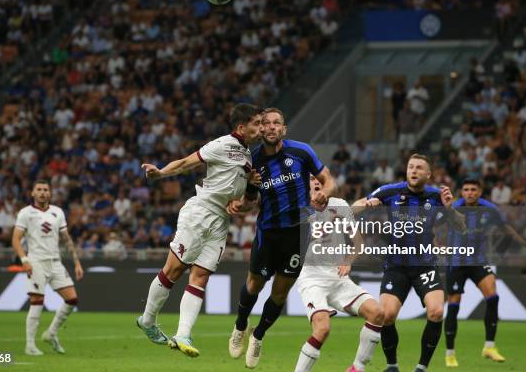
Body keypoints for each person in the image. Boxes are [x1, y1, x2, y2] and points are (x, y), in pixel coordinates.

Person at [137, 103, 263, 357]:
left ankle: (182, 334)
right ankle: (148, 321)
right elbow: (186, 163)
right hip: (200, 212)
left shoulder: (248, 156)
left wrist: (247, 191)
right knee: (174, 270)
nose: (261, 128)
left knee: (201, 276)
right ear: (242, 127)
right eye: (257, 123)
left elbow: (249, 200)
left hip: (220, 222)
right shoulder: (222, 144)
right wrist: (160, 173)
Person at [227, 107, 337, 369]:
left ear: (283, 129)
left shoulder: (301, 152)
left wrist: (325, 194)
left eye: (278, 123)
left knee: (279, 293)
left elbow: (328, 179)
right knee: (254, 285)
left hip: (298, 233)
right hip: (269, 232)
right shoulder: (252, 160)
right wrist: (239, 205)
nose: (272, 127)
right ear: (261, 129)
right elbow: (250, 202)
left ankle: (258, 335)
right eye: (267, 123)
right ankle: (240, 325)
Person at [354, 154, 465, 372]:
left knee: (436, 312)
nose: (413, 170)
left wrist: (450, 208)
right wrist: (367, 204)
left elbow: (461, 226)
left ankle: (421, 367)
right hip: (396, 265)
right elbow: (353, 208)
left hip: (425, 265)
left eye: (419, 168)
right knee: (386, 316)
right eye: (410, 167)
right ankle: (392, 365)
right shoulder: (390, 191)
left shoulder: (436, 196)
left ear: (428, 174)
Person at [443, 179, 526, 367]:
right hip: (456, 262)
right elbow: (437, 227)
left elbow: (506, 228)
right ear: (462, 192)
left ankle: (489, 347)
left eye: (473, 190)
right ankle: (450, 353)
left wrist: (524, 243)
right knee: (454, 305)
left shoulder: (490, 209)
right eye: (466, 189)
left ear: (479, 192)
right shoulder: (453, 207)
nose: (469, 193)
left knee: (493, 295)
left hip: (478, 260)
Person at [294, 176, 384, 372]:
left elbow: (358, 243)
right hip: (312, 279)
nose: (316, 181)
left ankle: (357, 368)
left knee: (377, 313)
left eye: (319, 178)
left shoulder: (339, 205)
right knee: (323, 329)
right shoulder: (299, 210)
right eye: (311, 179)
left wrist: (348, 261)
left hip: (339, 279)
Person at [12, 179, 84, 356]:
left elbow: (66, 238)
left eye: (45, 189)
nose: (43, 192)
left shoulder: (57, 212)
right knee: (37, 301)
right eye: (39, 189)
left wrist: (76, 262)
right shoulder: (25, 213)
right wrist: (24, 260)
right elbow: (15, 239)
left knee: (72, 299)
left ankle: (51, 333)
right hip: (36, 262)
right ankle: (30, 345)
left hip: (55, 262)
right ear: (33, 193)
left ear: (50, 193)